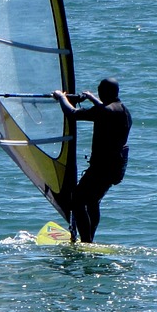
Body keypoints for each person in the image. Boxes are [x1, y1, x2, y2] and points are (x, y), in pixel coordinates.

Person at [52, 78, 132, 243]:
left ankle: (86, 242)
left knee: (77, 201)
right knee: (92, 201)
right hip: (115, 168)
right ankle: (89, 240)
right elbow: (104, 108)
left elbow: (72, 114)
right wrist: (91, 97)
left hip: (101, 169)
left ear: (104, 92)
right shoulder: (123, 110)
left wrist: (60, 97)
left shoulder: (105, 112)